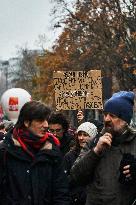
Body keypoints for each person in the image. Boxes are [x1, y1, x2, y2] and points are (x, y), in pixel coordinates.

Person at [71, 91, 136, 205]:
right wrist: (95, 151)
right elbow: (76, 176)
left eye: (112, 115)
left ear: (125, 120)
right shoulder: (95, 142)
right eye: (105, 114)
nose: (106, 119)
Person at [0, 100, 69, 205]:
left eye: (46, 120)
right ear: (27, 122)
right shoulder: (6, 151)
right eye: (40, 120)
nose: (46, 125)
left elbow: (61, 191)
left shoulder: (52, 150)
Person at [64, 122, 98, 205]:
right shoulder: (70, 156)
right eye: (79, 135)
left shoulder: (99, 154)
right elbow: (64, 181)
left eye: (85, 135)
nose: (81, 138)